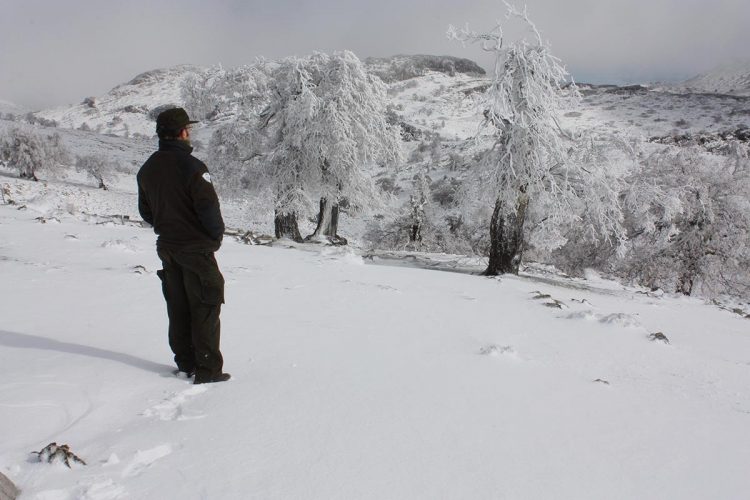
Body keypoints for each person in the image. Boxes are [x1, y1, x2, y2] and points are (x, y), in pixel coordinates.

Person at [137, 107, 230, 384]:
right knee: (205, 305)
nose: (190, 134)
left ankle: (186, 363)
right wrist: (215, 237)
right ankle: (208, 370)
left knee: (178, 306)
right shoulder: (193, 168)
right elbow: (209, 209)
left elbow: (146, 212)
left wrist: (167, 226)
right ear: (182, 133)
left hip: (167, 247)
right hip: (196, 250)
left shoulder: (148, 168)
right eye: (188, 129)